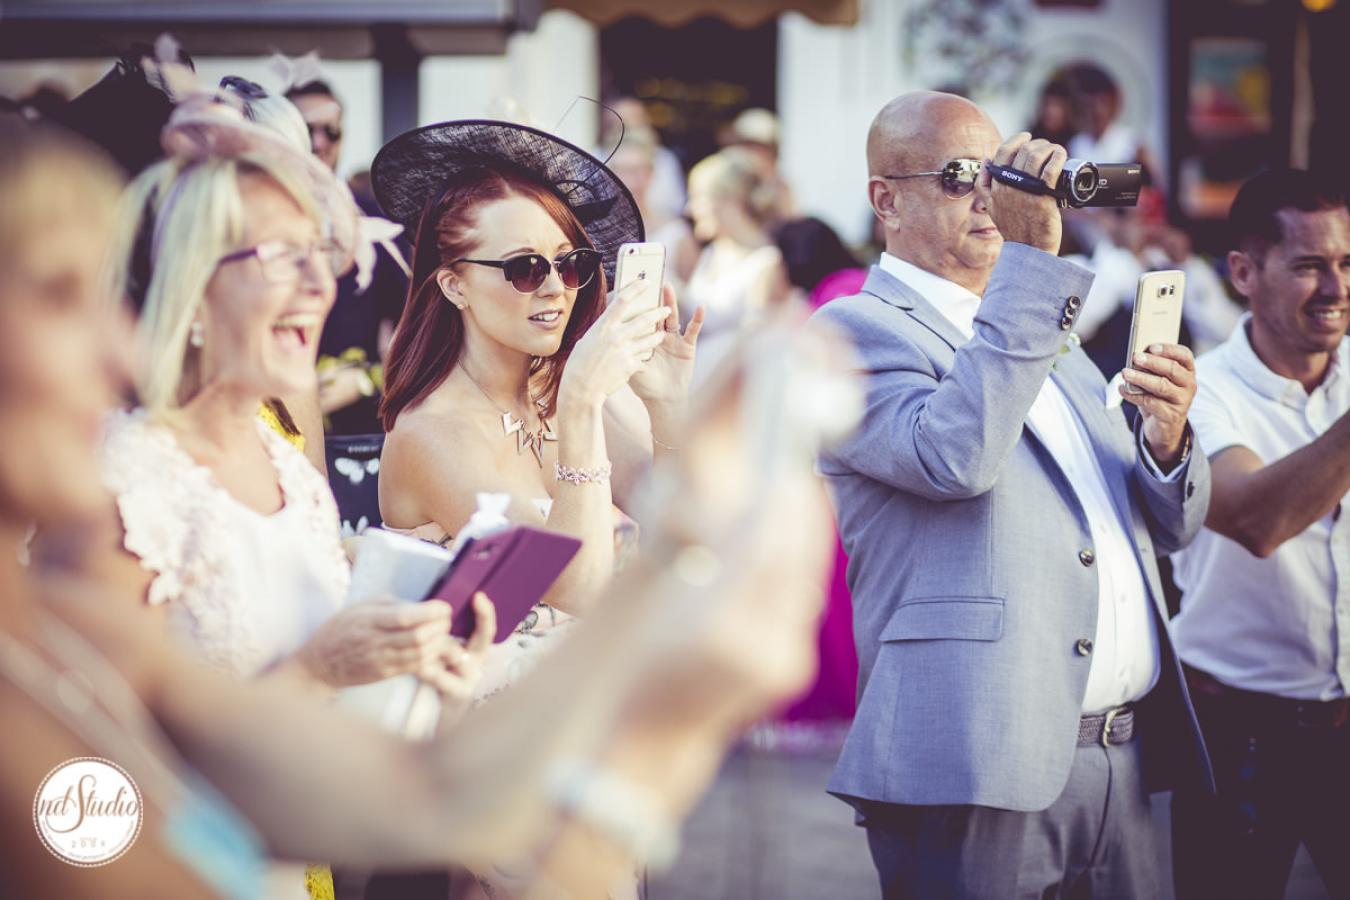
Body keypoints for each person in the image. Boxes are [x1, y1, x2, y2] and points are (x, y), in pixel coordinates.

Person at [0, 116, 848, 900]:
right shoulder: (104, 543)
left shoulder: (84, 615)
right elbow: (150, 864)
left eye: (316, 257)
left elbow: (418, 798)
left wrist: (688, 581)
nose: (116, 343)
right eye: (59, 295)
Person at [812, 91, 1214, 899]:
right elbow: (952, 458)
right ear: (885, 199)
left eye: (998, 173)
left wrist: (1167, 441)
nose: (991, 197)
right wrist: (1031, 273)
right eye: (964, 175)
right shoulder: (853, 330)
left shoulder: (1040, 333)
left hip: (1119, 756)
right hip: (974, 757)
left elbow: (1162, 528)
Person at [375, 121, 703, 691]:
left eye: (570, 263)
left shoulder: (555, 393)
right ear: (454, 286)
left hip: (589, 707)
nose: (555, 287)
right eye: (525, 268)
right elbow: (575, 587)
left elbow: (687, 523)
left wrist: (665, 404)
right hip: (487, 732)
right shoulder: (430, 433)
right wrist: (580, 403)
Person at [1169, 169, 1350, 900]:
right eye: (1310, 266)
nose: (1336, 289)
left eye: (1348, 263)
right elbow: (1254, 518)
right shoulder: (1195, 390)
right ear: (1244, 271)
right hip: (1236, 729)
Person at [683, 146, 790, 382]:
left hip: (731, 391)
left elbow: (759, 346)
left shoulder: (766, 263)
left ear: (727, 201)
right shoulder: (710, 253)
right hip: (693, 383)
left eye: (697, 198)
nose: (689, 209)